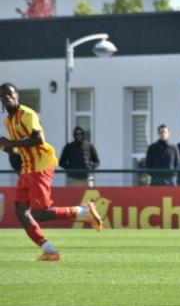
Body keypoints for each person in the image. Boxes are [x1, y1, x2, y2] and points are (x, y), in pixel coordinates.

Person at [0, 82, 103, 261]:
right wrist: (4, 147)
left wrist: (10, 143)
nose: (7, 97)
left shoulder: (27, 114)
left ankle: (84, 211)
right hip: (27, 168)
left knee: (39, 213)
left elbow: (38, 139)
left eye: (10, 94)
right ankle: (49, 250)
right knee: (20, 211)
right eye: (3, 95)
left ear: (18, 96)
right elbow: (17, 150)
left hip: (41, 166)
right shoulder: (7, 121)